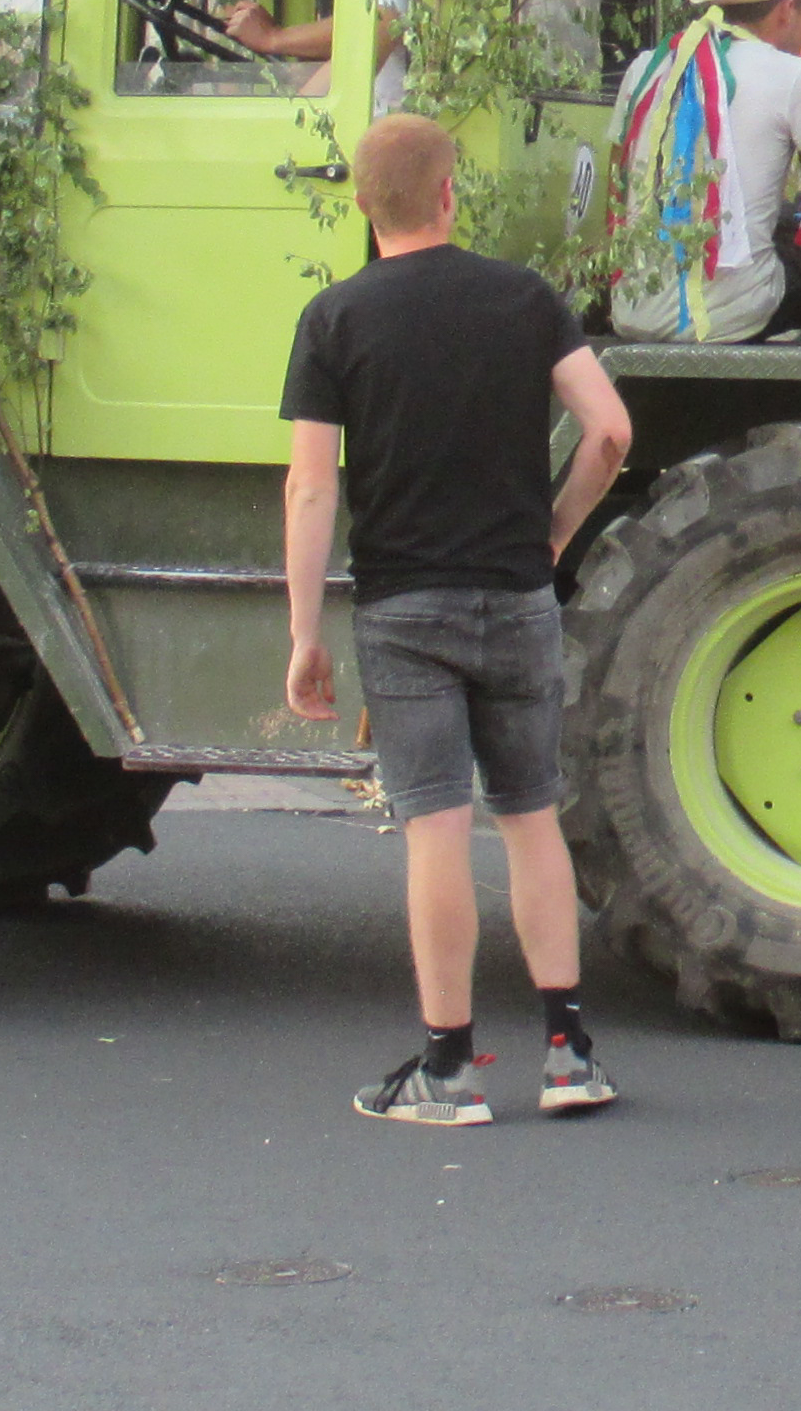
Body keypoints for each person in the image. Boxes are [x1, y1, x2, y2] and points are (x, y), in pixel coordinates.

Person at [278, 113, 637, 1126]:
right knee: (530, 817)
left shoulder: (334, 319)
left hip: (403, 609)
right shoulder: (524, 300)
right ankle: (570, 1055)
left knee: (434, 825)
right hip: (516, 594)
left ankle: (448, 1073)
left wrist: (305, 632)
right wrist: (555, 535)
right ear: (450, 195)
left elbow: (311, 490)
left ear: (361, 204)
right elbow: (609, 430)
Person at [606, 0, 801, 342]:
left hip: (632, 310)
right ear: (787, 8)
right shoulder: (798, 76)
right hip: (731, 319)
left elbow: (616, 189)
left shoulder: (644, 67)